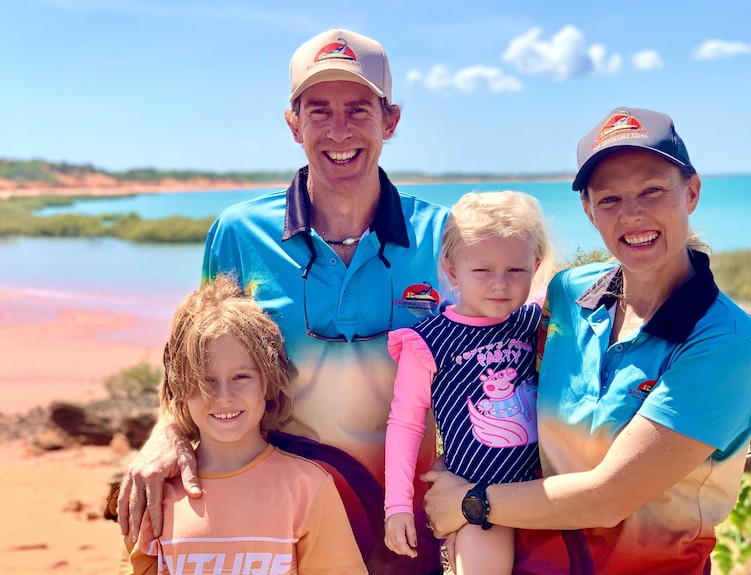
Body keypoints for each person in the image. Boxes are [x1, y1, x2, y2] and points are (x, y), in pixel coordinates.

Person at [117, 29, 449, 575]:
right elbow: (191, 363)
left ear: (390, 121)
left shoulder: (443, 237)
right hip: (276, 523)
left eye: (358, 109)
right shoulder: (238, 233)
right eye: (318, 111)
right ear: (293, 124)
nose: (339, 129)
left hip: (406, 526)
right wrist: (165, 435)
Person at [422, 106, 751, 575]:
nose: (632, 214)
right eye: (609, 200)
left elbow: (609, 499)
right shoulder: (566, 296)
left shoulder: (725, 343)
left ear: (692, 192)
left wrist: (472, 503)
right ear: (588, 211)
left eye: (652, 191)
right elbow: (485, 365)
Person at [122, 274, 367, 575]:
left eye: (242, 377)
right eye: (205, 380)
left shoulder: (307, 486)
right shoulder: (160, 491)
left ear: (270, 382)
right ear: (179, 388)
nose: (223, 397)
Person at [383, 191, 554, 574]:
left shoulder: (534, 320)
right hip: (473, 496)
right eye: (482, 271)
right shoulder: (427, 342)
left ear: (536, 265)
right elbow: (406, 422)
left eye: (516, 271)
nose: (500, 284)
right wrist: (396, 505)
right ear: (451, 267)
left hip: (539, 493)